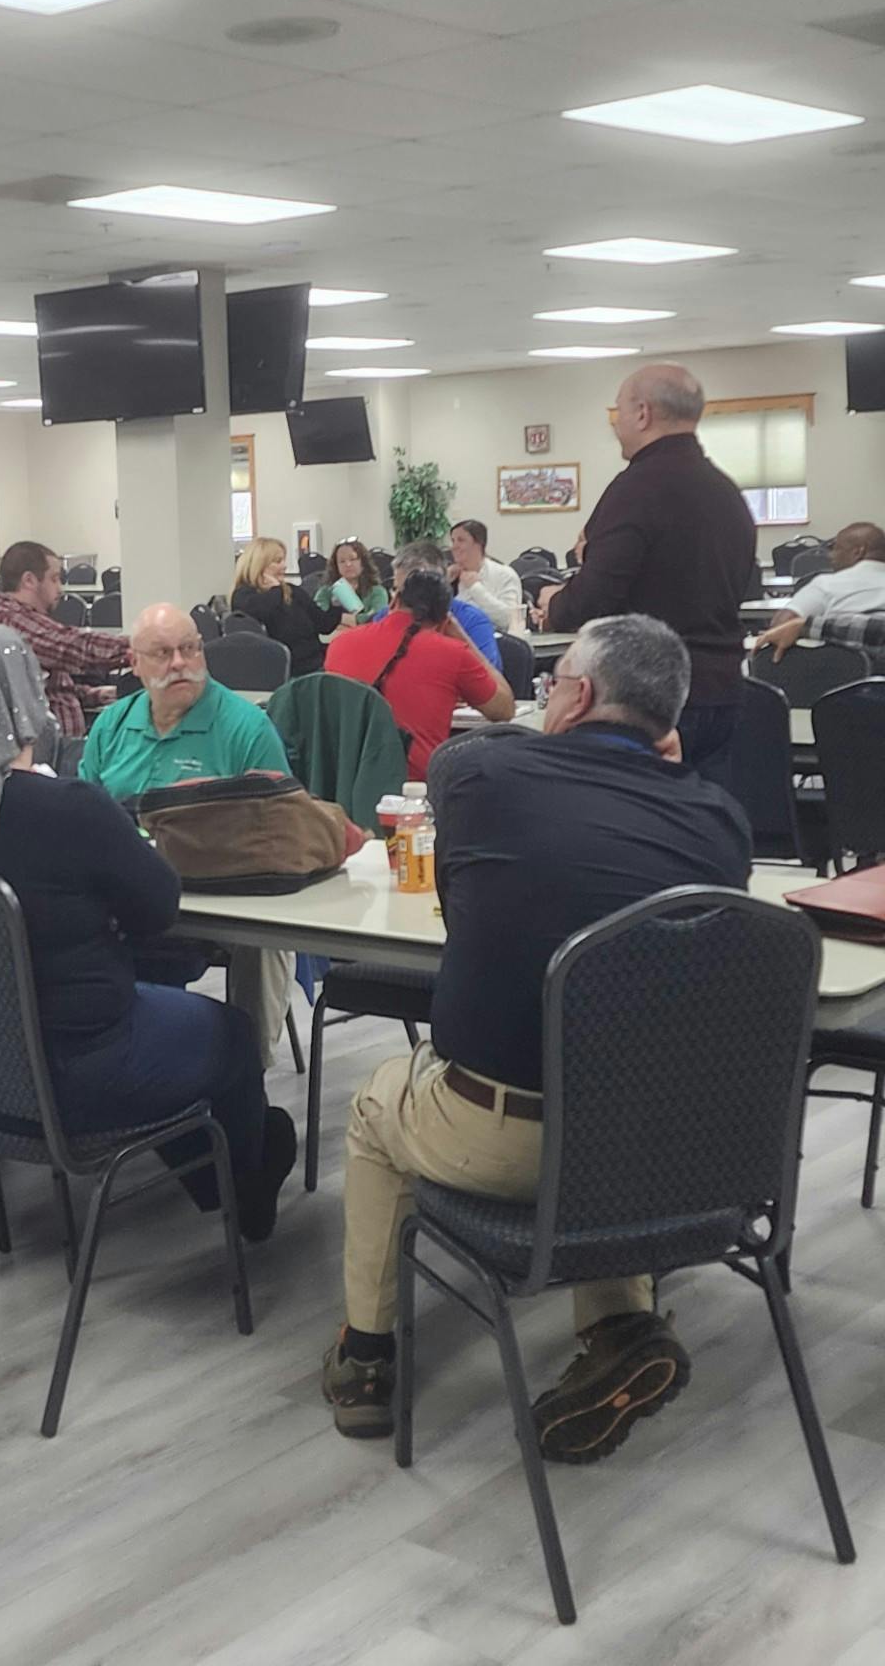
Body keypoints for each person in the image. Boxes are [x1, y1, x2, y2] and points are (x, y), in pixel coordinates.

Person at [323, 615, 752, 1455]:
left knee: (377, 1106)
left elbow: (446, 765)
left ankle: (367, 1356)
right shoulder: (721, 821)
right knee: (609, 1084)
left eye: (551, 686)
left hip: (502, 1134)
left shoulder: (487, 773)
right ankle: (622, 1329)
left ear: (578, 694)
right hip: (666, 1148)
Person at [0, 624, 297, 1239]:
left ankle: (202, 1166)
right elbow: (159, 907)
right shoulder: (72, 807)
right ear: (31, 701)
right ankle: (238, 1190)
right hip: (82, 1065)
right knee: (231, 1033)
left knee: (163, 1009)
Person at [81, 603, 297, 1068]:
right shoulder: (111, 725)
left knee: (265, 939)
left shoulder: (245, 726)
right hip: (131, 892)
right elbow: (85, 821)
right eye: (161, 653)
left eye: (189, 649)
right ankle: (103, 1051)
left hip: (225, 891)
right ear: (134, 664)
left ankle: (248, 1067)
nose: (179, 663)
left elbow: (281, 827)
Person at [538, 364, 756, 782]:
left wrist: (557, 602)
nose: (616, 423)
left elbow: (591, 601)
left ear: (642, 413)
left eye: (617, 411)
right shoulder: (727, 492)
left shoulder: (635, 490)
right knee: (702, 820)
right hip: (725, 688)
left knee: (642, 823)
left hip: (649, 696)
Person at [325, 561, 514, 779]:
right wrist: (464, 640)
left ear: (394, 600)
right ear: (444, 620)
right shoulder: (452, 652)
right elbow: (504, 710)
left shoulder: (341, 644)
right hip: (415, 788)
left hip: (343, 783)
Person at [0, 540, 128, 737]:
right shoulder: (14, 622)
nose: (60, 588)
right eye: (54, 579)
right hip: (51, 753)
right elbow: (75, 647)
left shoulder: (11, 615)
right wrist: (145, 647)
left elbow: (49, 690)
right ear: (29, 581)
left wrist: (95, 695)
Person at [754, 523, 885, 663]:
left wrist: (806, 627)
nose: (830, 555)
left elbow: (781, 626)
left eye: (835, 548)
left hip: (837, 678)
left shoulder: (827, 584)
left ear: (858, 552)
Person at [232, 536, 340, 676]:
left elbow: (323, 625)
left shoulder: (293, 592)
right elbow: (263, 611)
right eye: (277, 561)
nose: (284, 566)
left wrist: (336, 604)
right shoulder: (244, 596)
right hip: (283, 671)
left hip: (314, 663)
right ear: (259, 565)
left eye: (283, 560)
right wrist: (276, 590)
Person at [394, 537, 501, 668]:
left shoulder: (472, 621)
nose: (398, 602)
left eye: (409, 594)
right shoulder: (385, 617)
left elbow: (491, 682)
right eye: (398, 591)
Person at [448, 519, 525, 633]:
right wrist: (443, 583)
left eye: (461, 540)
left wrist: (475, 588)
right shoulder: (452, 577)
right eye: (453, 541)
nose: (454, 547)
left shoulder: (505, 575)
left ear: (478, 544)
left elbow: (509, 620)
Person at [315, 538, 388, 630]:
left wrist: (343, 619)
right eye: (342, 561)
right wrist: (347, 620)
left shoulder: (377, 591)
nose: (348, 564)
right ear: (336, 566)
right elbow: (319, 617)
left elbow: (378, 618)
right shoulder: (325, 592)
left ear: (363, 562)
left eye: (353, 559)